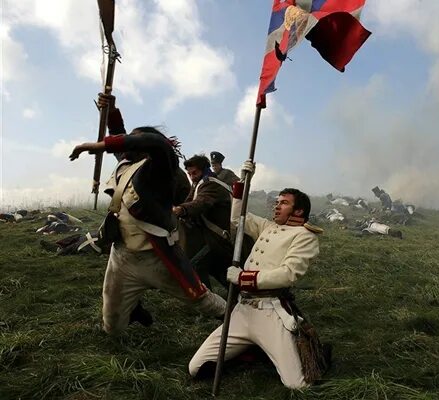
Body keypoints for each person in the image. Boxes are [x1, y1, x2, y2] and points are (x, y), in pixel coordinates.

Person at [68, 94, 225, 335]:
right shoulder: (127, 163)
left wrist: (100, 145)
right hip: (122, 257)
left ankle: (235, 317)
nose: (129, 143)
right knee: (112, 327)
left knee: (202, 299)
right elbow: (120, 132)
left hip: (157, 257)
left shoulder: (160, 171)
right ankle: (134, 311)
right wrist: (111, 110)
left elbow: (157, 144)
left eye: (135, 140)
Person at [188, 161, 326, 389]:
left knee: (297, 385)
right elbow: (237, 220)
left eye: (283, 203)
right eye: (277, 202)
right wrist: (241, 184)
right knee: (196, 368)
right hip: (242, 312)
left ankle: (285, 345)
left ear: (299, 210)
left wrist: (245, 278)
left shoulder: (305, 236)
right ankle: (254, 350)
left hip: (270, 311)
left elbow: (288, 274)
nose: (276, 206)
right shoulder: (268, 226)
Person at [173, 154, 233, 289]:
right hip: (211, 239)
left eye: (194, 173)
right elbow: (190, 201)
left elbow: (201, 202)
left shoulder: (211, 183)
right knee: (220, 273)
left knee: (196, 265)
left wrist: (180, 210)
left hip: (221, 239)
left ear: (204, 170)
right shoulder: (198, 184)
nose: (192, 176)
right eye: (189, 174)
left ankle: (211, 302)